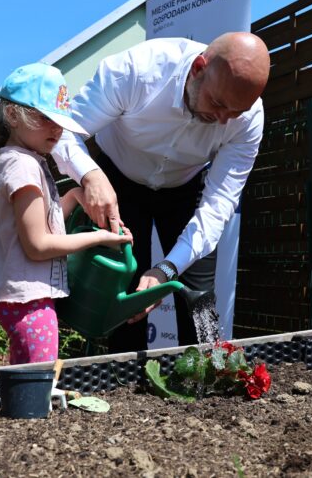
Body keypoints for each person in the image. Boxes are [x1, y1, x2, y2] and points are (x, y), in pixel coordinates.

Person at [52, 32, 270, 352]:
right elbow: (64, 132)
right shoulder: (135, 71)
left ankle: (207, 376)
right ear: (198, 68)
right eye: (218, 103)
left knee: (199, 298)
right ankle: (125, 384)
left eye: (235, 112)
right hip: (118, 179)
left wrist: (167, 270)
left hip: (185, 187)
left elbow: (219, 204)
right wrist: (90, 177)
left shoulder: (249, 118)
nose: (224, 120)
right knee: (126, 292)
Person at [0, 63, 133, 364]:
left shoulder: (22, 159)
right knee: (39, 383)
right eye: (46, 118)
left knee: (25, 381)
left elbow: (36, 222)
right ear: (13, 115)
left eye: (59, 120)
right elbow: (38, 246)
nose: (57, 128)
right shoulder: (22, 165)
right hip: (29, 301)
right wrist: (97, 237)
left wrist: (73, 197)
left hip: (20, 296)